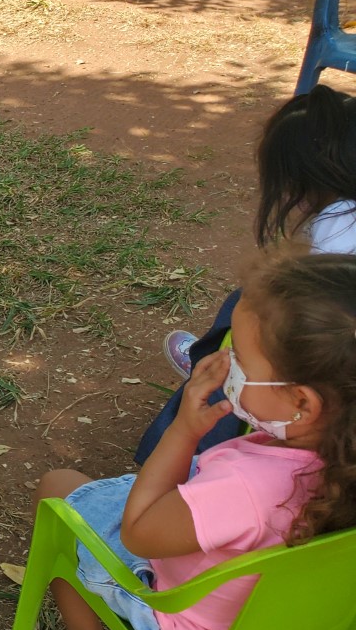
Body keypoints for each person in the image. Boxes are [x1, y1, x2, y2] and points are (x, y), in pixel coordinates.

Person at [35, 251, 356, 630]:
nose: (226, 364)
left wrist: (184, 431)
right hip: (296, 624)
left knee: (60, 489)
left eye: (240, 358)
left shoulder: (243, 486)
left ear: (302, 402)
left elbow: (138, 535)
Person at [138, 83, 356, 463]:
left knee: (249, 313)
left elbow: (308, 307)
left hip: (331, 360)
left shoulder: (338, 223)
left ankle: (192, 444)